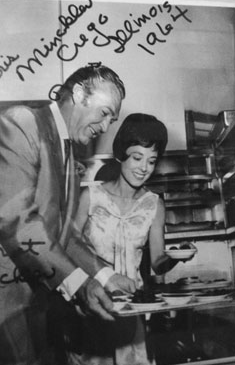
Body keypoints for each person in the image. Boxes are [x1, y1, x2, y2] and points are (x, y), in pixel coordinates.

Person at [0, 64, 136, 364]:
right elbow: (18, 222)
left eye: (111, 120)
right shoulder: (22, 123)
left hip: (27, 318)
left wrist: (105, 274)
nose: (105, 127)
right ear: (78, 94)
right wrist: (78, 284)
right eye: (104, 113)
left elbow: (62, 233)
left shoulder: (68, 150)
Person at [67, 113, 193, 365]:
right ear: (121, 154)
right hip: (91, 308)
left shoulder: (154, 205)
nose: (144, 168)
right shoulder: (90, 197)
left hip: (132, 312)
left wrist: (177, 256)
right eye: (137, 157)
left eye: (151, 161)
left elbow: (157, 262)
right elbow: (67, 246)